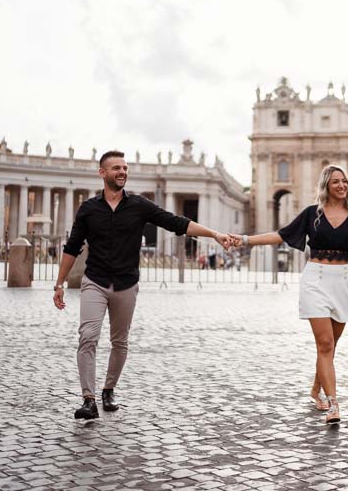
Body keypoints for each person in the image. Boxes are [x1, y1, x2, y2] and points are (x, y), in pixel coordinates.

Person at [54, 150, 234, 420]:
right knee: (88, 337)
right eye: (116, 168)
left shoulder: (139, 205)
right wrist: (59, 283)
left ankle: (108, 389)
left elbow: (177, 223)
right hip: (95, 281)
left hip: (126, 283)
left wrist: (214, 234)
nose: (122, 172)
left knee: (120, 341)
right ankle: (88, 399)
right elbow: (72, 247)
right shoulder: (89, 209)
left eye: (125, 168)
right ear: (102, 173)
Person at [234, 164, 348, 425]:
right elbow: (281, 235)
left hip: (342, 281)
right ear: (326, 185)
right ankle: (333, 404)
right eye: (335, 181)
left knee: (330, 345)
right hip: (315, 280)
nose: (341, 185)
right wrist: (245, 240)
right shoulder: (312, 214)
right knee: (325, 343)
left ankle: (316, 390)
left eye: (344, 181)